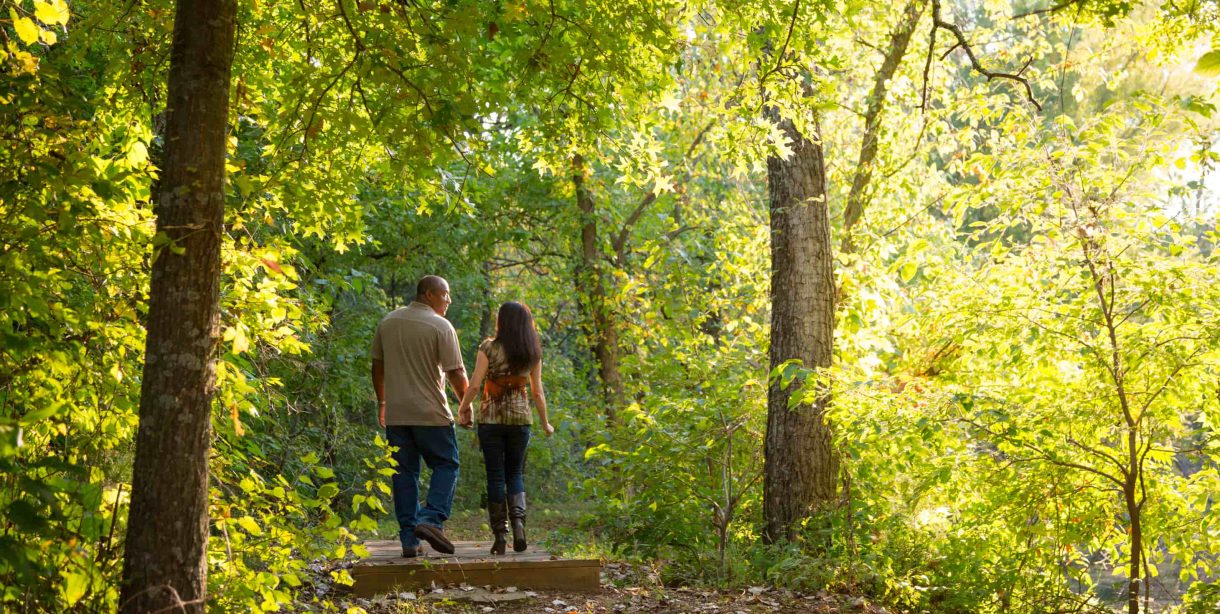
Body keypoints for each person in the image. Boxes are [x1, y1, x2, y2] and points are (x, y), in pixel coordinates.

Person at [371, 275, 468, 557]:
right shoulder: (441, 326)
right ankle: (431, 519)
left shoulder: (388, 322)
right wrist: (465, 405)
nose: (448, 300)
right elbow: (456, 372)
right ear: (428, 294)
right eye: (445, 294)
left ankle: (409, 540)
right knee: (447, 464)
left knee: (404, 474)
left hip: (398, 414)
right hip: (432, 413)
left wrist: (383, 401)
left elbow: (377, 366)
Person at [456, 301, 554, 555]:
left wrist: (463, 407)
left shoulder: (488, 347)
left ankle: (500, 535)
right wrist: (545, 423)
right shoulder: (532, 351)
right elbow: (538, 392)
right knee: (515, 475)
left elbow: (475, 385)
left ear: (501, 320)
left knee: (495, 476)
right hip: (520, 421)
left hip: (491, 420)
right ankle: (519, 524)